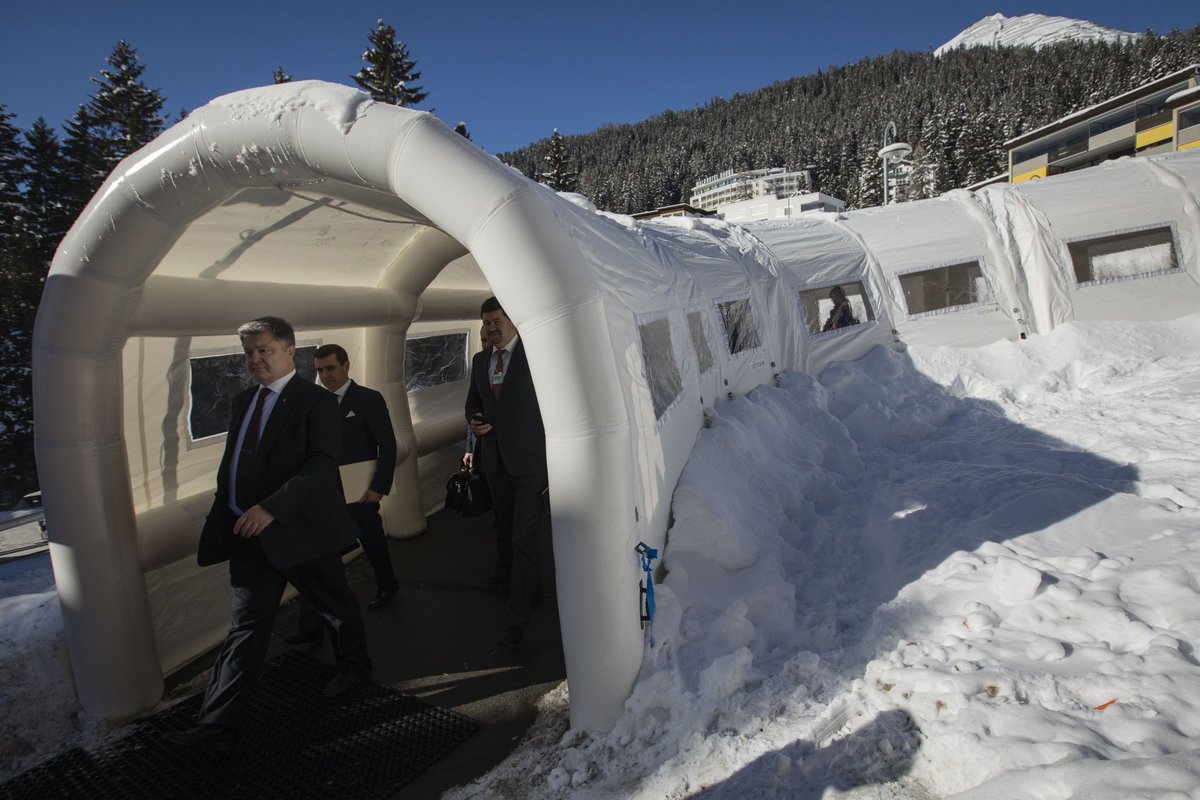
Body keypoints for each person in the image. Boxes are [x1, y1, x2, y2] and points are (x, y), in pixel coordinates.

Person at [164, 317, 371, 752]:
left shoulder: (317, 402)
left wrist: (271, 508)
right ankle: (217, 725)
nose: (255, 359)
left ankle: (354, 667)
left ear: (289, 351)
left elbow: (320, 465)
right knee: (246, 626)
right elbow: (237, 463)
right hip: (249, 535)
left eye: (264, 350)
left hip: (302, 531)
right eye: (249, 352)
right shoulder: (244, 401)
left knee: (334, 605)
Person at [285, 344, 400, 647]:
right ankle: (312, 624)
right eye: (319, 370)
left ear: (346, 366)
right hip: (323, 493)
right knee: (319, 556)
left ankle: (388, 584)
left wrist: (379, 486)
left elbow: (387, 445)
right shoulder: (314, 403)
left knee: (372, 541)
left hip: (360, 489)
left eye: (330, 368)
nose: (325, 376)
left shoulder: (368, 399)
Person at [465, 297, 548, 649]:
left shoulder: (537, 354)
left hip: (530, 464)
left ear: (513, 319)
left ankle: (517, 623)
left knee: (523, 539)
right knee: (508, 530)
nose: (490, 328)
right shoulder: (480, 360)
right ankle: (532, 587)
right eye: (486, 323)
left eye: (496, 321)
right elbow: (473, 402)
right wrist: (474, 420)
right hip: (495, 462)